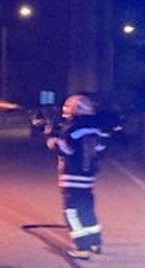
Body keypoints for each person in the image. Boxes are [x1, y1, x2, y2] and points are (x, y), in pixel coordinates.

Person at [46, 94, 109, 259]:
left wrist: (54, 142)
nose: (65, 111)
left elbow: (67, 150)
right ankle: (96, 242)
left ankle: (81, 248)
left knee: (71, 212)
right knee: (87, 209)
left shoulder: (72, 129)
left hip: (72, 176)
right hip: (88, 178)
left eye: (68, 107)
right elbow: (101, 149)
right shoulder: (96, 129)